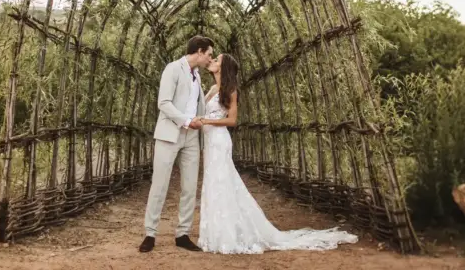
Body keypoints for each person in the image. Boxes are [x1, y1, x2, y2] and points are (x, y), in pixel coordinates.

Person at [197, 53, 359, 254]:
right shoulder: (212, 89)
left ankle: (227, 236)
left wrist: (207, 121)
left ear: (224, 67)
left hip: (220, 141)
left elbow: (232, 121)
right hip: (209, 141)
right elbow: (201, 114)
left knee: (221, 183)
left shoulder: (230, 90)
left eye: (217, 60)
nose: (212, 61)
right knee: (212, 183)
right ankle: (215, 233)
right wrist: (198, 120)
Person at [139, 35, 214, 253]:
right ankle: (150, 234)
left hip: (191, 137)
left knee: (190, 187)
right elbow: (163, 102)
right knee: (159, 185)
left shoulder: (197, 76)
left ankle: (183, 234)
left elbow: (198, 104)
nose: (209, 59)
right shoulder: (173, 69)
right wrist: (186, 121)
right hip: (169, 134)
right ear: (199, 51)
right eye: (208, 54)